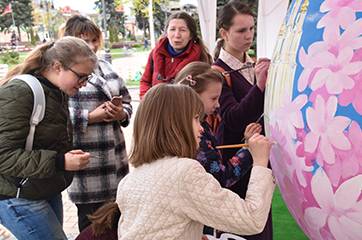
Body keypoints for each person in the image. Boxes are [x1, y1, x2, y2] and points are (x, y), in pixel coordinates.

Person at [116, 84, 275, 239]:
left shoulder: (129, 181)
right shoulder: (184, 172)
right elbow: (251, 220)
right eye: (196, 119)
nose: (201, 129)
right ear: (176, 123)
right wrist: (260, 162)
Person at [0, 36, 97, 240]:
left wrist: (64, 157)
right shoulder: (20, 92)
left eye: (88, 78)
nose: (84, 84)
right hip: (17, 194)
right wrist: (60, 161)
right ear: (57, 66)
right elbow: (3, 156)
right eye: (81, 77)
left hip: (41, 187)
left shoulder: (56, 91)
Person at [175, 62, 263, 236]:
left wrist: (245, 142)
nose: (217, 105)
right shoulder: (197, 135)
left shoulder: (193, 126)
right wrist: (250, 151)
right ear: (192, 96)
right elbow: (222, 177)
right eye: (214, 98)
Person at [62, 15, 132, 232]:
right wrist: (90, 117)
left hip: (116, 163)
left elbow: (127, 101)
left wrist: (120, 113)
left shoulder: (106, 68)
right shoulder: (63, 73)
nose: (91, 46)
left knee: (117, 223)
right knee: (91, 228)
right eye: (84, 40)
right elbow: (56, 117)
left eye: (94, 40)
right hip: (88, 166)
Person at [213, 1, 272, 239]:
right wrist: (259, 86)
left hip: (259, 159)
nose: (248, 36)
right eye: (241, 30)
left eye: (251, 29)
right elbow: (233, 118)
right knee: (241, 228)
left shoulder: (253, 63)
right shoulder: (217, 72)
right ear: (224, 32)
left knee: (262, 224)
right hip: (234, 165)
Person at [139, 11, 212, 98]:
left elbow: (206, 93)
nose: (177, 35)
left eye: (182, 30)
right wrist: (147, 100)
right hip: (156, 108)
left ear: (191, 35)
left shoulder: (201, 58)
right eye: (172, 29)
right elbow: (145, 81)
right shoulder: (155, 53)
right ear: (166, 33)